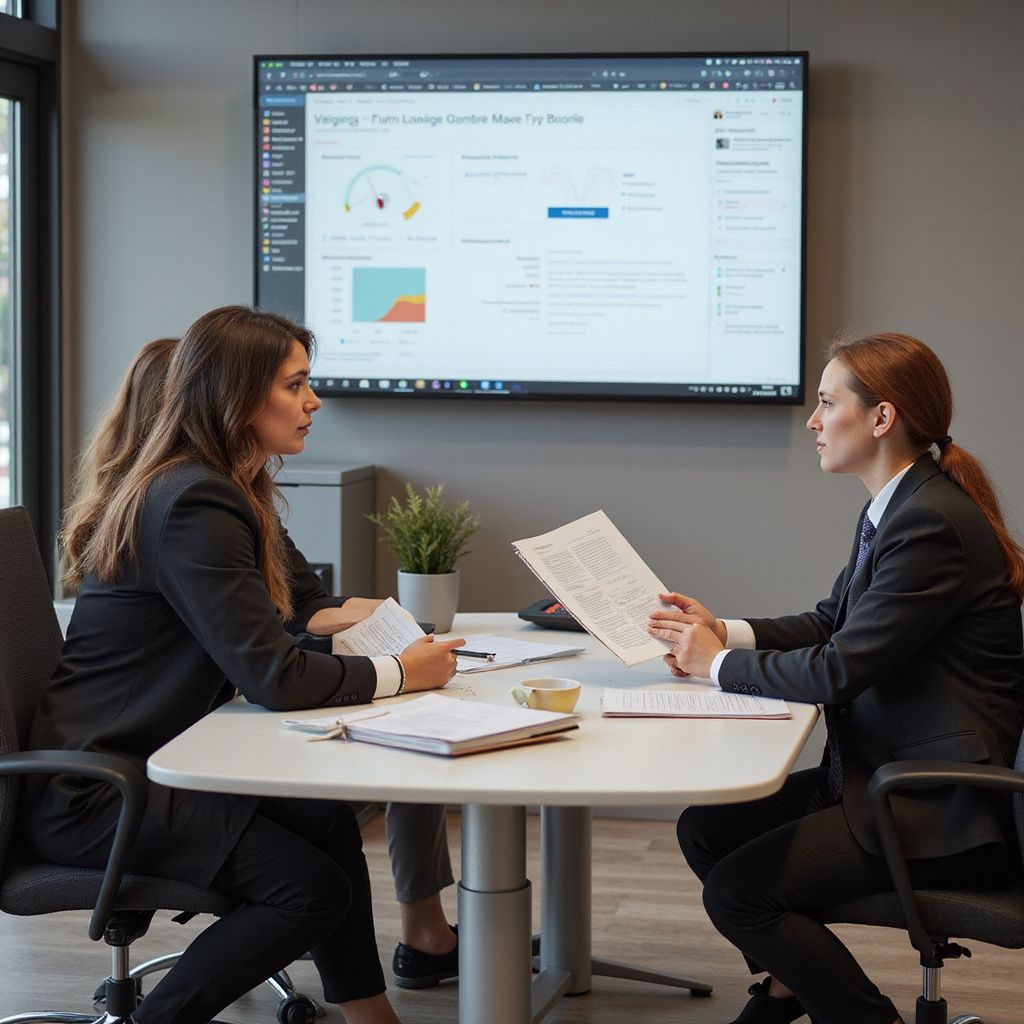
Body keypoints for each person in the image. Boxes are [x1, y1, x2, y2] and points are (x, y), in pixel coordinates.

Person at [26, 305, 467, 1024]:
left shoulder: (209, 487)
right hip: (98, 792)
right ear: (236, 396)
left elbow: (286, 625)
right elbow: (275, 677)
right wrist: (402, 674)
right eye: (295, 385)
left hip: (146, 761)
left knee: (323, 821)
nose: (314, 401)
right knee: (310, 891)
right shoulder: (192, 501)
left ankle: (370, 1015)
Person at [647, 332, 1024, 1024]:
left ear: (882, 418)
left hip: (940, 808)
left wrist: (714, 664)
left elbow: (840, 669)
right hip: (880, 775)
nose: (814, 421)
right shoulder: (900, 507)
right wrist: (723, 630)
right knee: (707, 830)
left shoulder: (930, 524)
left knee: (737, 894)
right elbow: (832, 622)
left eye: (827, 403)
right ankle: (792, 983)